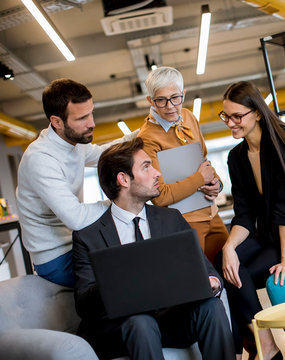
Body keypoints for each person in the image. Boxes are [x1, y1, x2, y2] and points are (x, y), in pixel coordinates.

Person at [72, 137, 235, 360]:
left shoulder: (171, 219)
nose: (157, 173)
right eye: (147, 167)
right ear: (123, 179)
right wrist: (120, 274)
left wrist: (212, 282)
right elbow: (84, 304)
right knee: (141, 322)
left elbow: (205, 269)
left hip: (171, 321)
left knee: (212, 308)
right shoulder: (88, 237)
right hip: (125, 328)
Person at [215, 81, 285, 360]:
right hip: (266, 235)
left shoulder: (284, 140)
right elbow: (244, 213)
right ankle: (262, 339)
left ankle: (267, 345)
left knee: (240, 272)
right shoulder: (236, 157)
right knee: (222, 265)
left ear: (257, 113)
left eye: (237, 116)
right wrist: (229, 248)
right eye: (226, 116)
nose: (230, 123)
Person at [16, 78, 137, 287]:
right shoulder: (41, 158)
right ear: (57, 122)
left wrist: (143, 135)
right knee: (130, 277)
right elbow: (76, 218)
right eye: (82, 118)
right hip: (56, 258)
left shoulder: (74, 143)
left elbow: (104, 154)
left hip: (78, 242)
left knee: (140, 254)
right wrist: (124, 200)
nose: (92, 123)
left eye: (91, 113)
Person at [138, 66, 227, 263]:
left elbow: (204, 162)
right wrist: (198, 179)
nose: (170, 106)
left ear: (183, 94)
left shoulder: (188, 116)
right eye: (161, 100)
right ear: (150, 101)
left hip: (212, 214)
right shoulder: (147, 138)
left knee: (232, 277)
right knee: (201, 285)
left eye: (175, 97)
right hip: (184, 223)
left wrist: (216, 185)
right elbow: (159, 197)